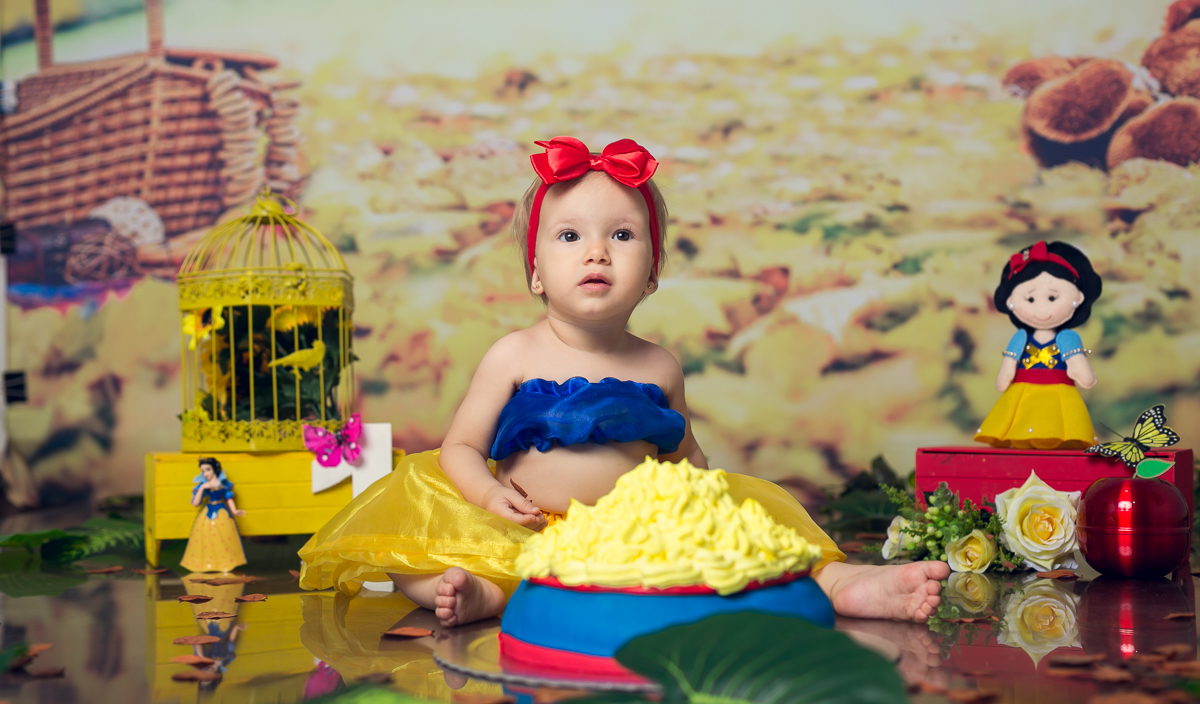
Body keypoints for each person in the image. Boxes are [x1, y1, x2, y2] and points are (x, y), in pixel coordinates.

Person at [299, 136, 948, 626]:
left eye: (621, 234)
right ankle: (478, 596)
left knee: (760, 528)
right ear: (535, 273)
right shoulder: (514, 354)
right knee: (420, 544)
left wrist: (705, 506)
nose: (596, 252)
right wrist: (489, 497)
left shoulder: (659, 365)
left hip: (633, 534)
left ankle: (842, 585)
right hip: (524, 526)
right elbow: (461, 448)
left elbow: (683, 456)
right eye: (570, 235)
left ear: (653, 273)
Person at [974, 240, 1103, 449]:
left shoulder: (1067, 338)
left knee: (1059, 430)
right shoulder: (1020, 337)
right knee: (1020, 427)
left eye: (1052, 297)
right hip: (1023, 391)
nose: (1041, 308)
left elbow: (1077, 364)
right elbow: (1009, 363)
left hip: (1059, 390)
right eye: (1030, 299)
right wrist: (1005, 377)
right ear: (1011, 302)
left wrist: (1083, 374)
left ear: (1078, 297)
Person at [181, 457, 247, 573]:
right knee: (205, 538)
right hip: (208, 512)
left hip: (222, 512)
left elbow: (229, 498)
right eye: (203, 471)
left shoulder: (223, 484)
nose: (206, 473)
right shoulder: (203, 486)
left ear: (214, 469)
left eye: (208, 469)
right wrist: (202, 488)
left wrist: (235, 511)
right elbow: (196, 503)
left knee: (224, 537)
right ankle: (207, 563)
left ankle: (225, 563)